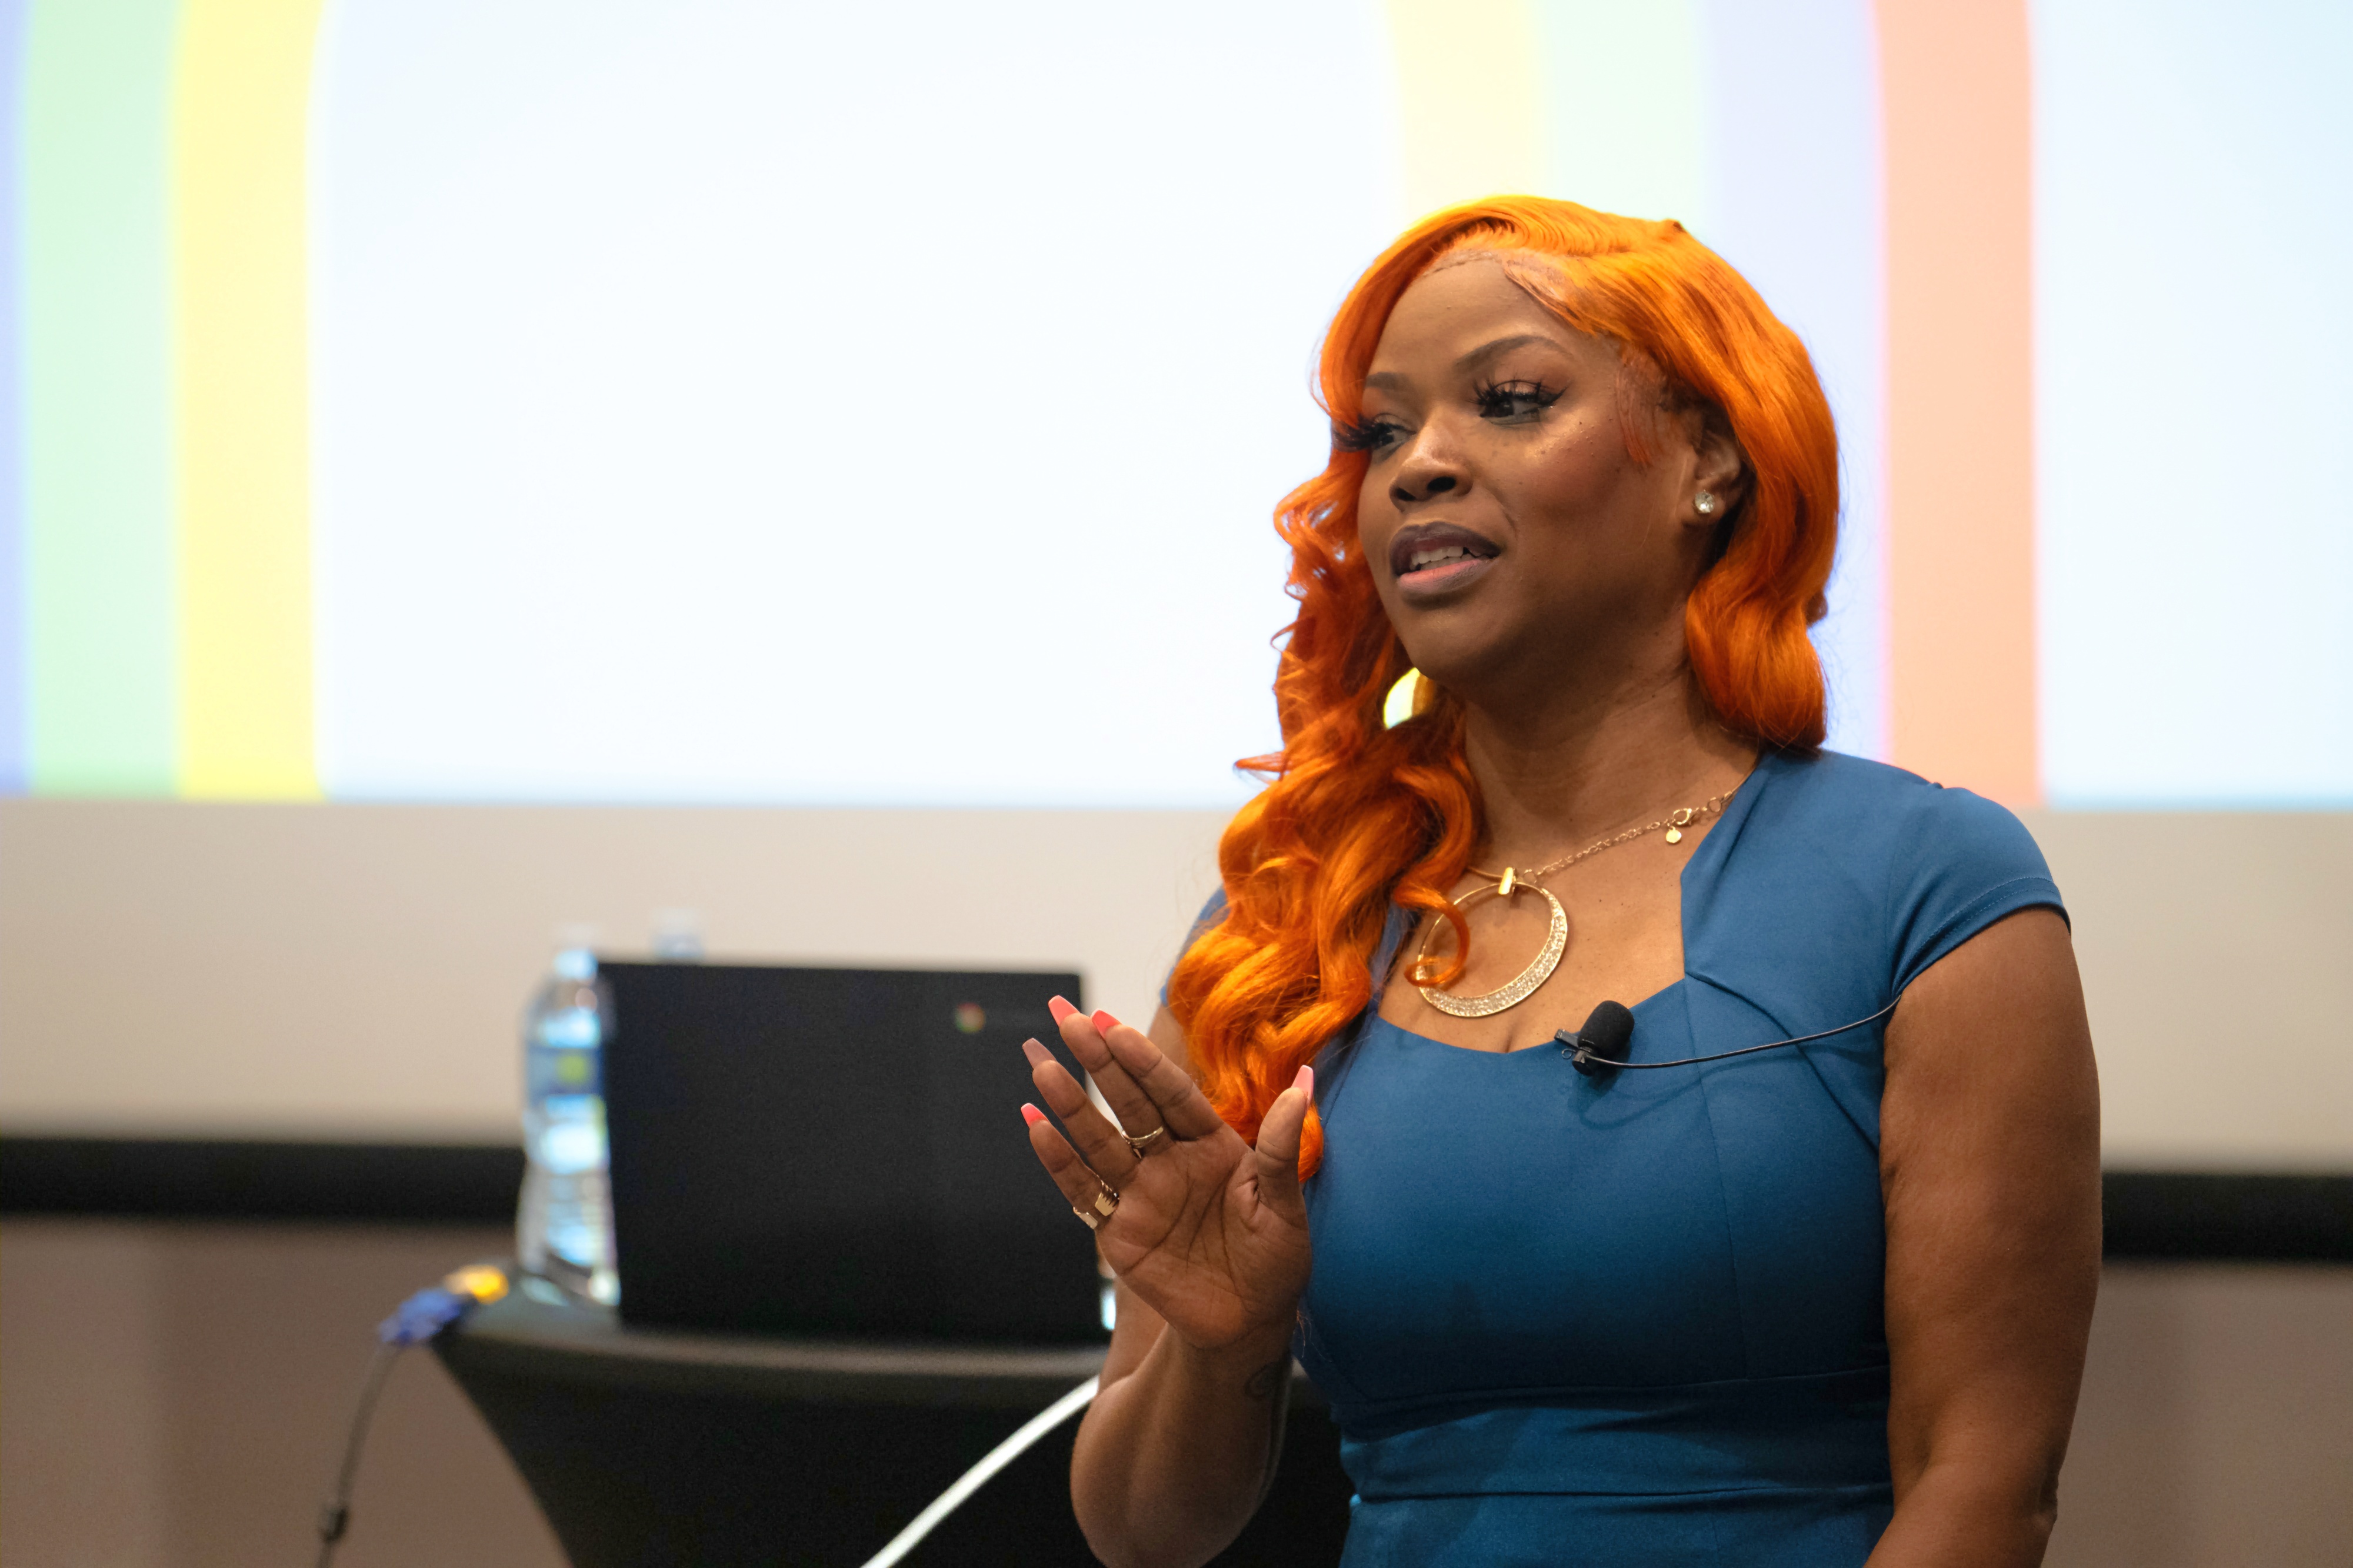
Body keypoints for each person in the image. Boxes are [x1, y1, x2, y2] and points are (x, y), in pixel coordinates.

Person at [1017, 196, 2101, 1568]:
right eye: (1381, 432)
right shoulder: (1287, 923)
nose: (1420, 465)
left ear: (1710, 461)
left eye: (1511, 400)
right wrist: (1223, 1345)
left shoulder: (1924, 886)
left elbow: (1982, 1486)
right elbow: (1141, 1533)